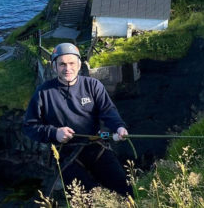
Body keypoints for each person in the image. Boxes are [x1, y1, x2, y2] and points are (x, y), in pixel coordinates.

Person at [23, 43, 133, 196]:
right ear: (54, 67)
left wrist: (119, 127)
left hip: (96, 146)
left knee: (126, 190)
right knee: (86, 200)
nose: (67, 68)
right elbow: (29, 126)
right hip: (67, 155)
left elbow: (108, 111)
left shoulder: (93, 85)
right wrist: (54, 133)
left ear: (79, 65)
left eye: (71, 63)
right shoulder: (43, 93)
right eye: (62, 64)